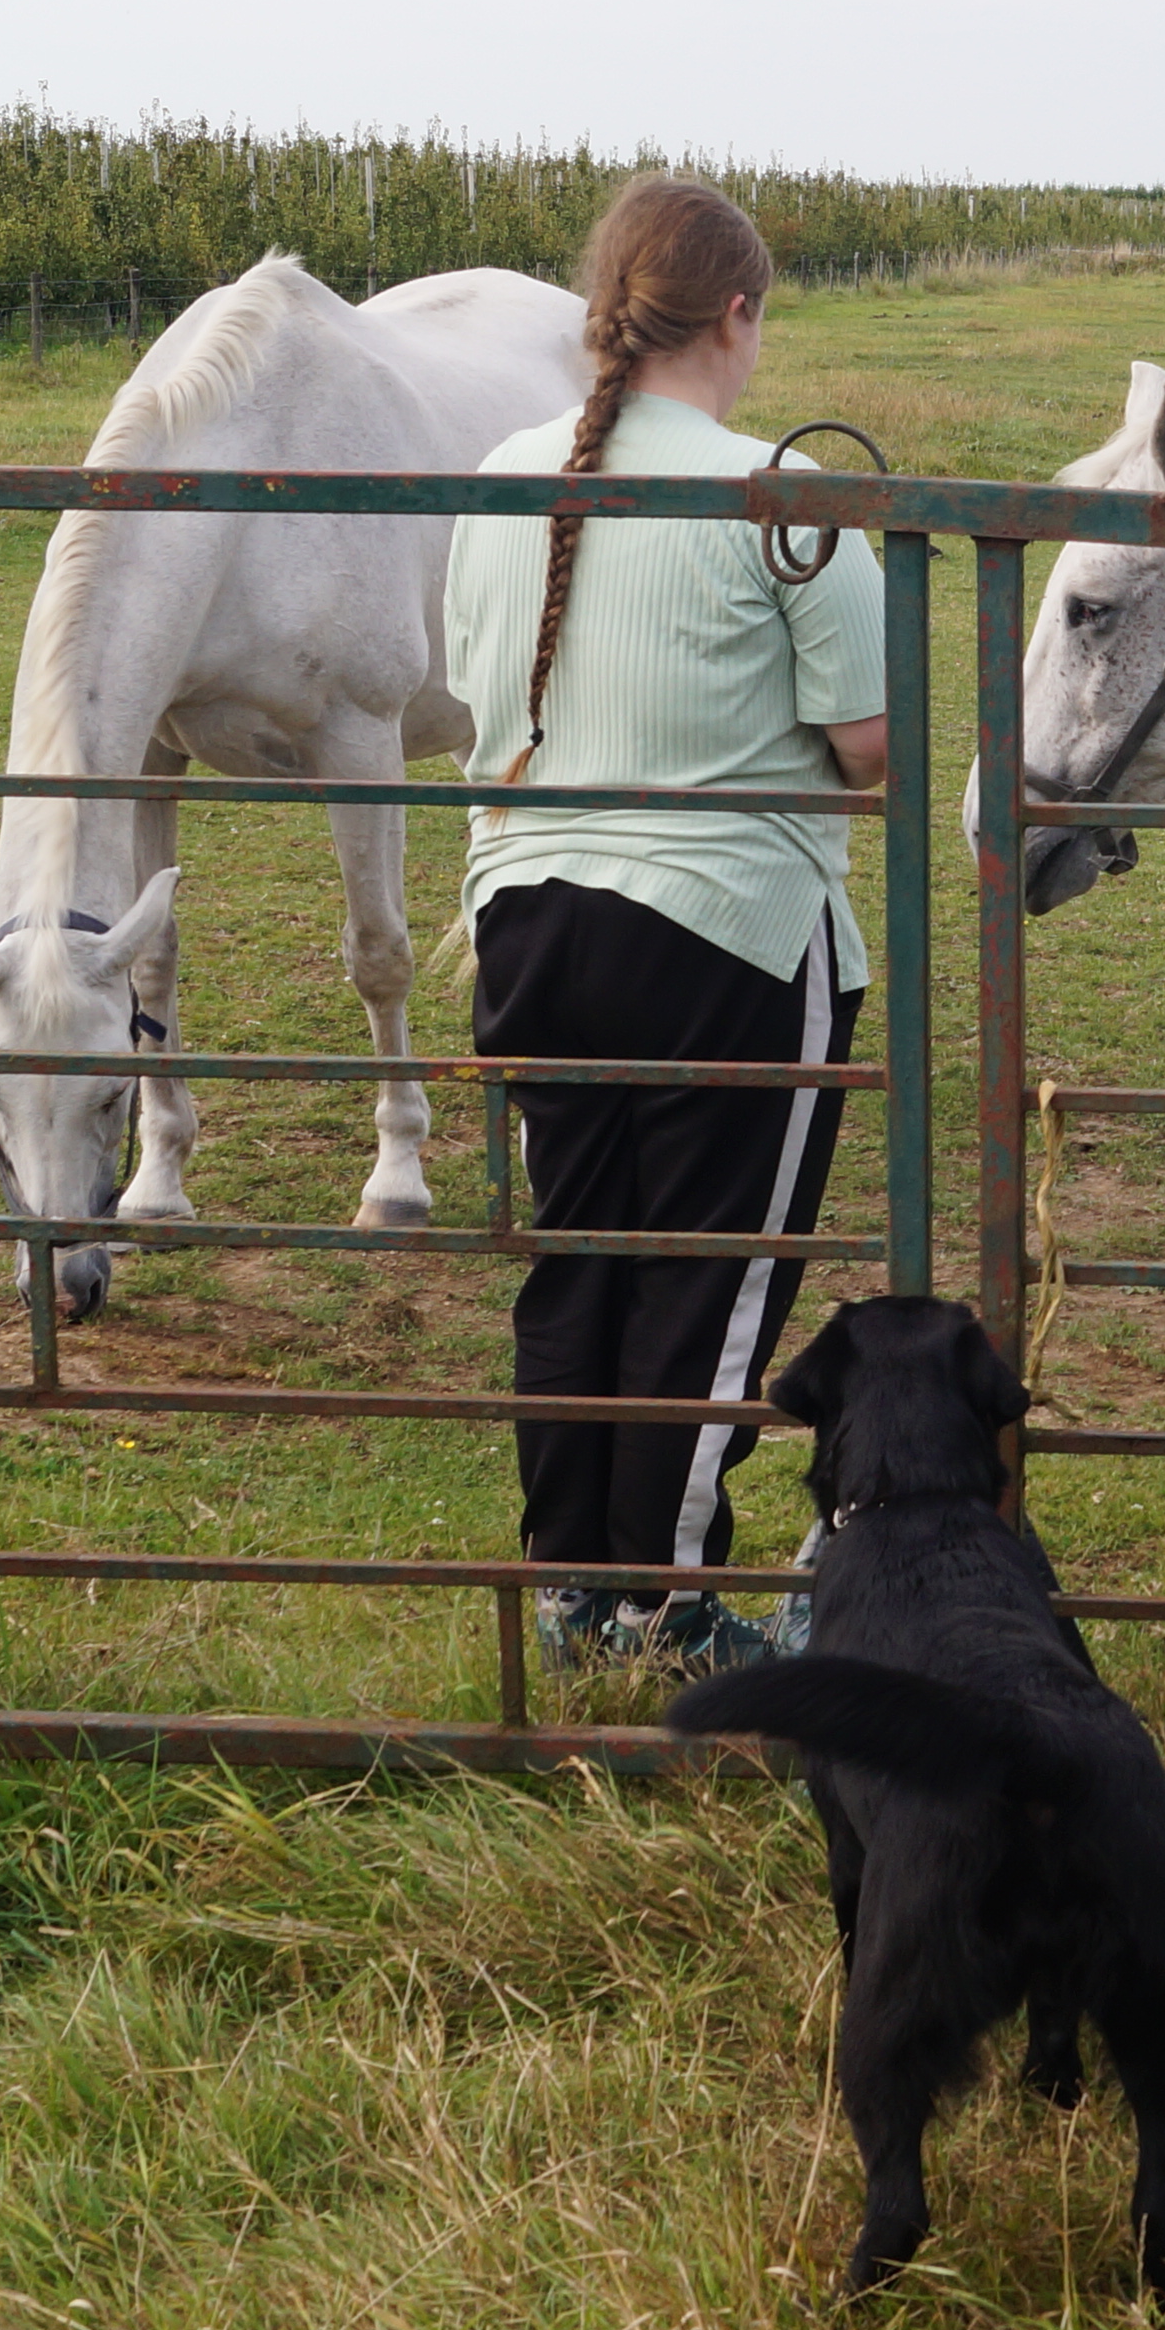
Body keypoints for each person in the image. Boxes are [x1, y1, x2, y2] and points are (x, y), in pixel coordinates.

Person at [440, 178, 888, 1668]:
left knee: (581, 1255)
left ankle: (572, 1595)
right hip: (725, 935)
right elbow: (871, 743)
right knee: (711, 1264)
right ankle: (667, 1610)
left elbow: (479, 686)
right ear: (738, 315)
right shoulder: (784, 495)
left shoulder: (503, 476)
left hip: (525, 919)